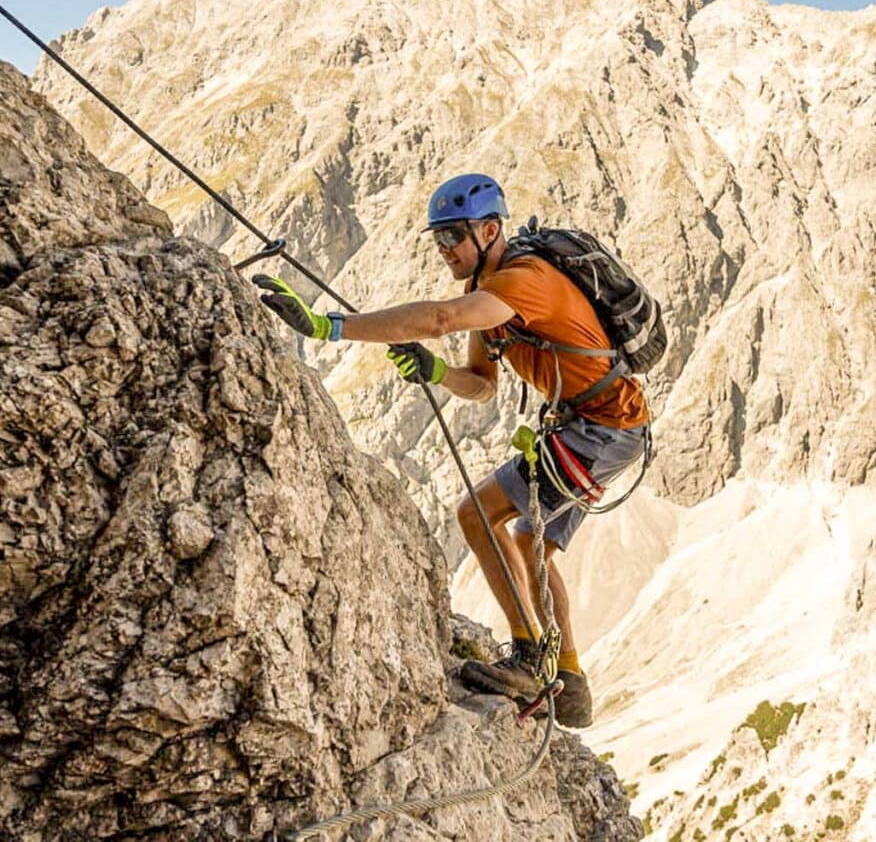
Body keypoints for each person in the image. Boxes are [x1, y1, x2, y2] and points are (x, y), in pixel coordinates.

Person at [255, 173, 650, 728]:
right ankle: (570, 679)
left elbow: (439, 319)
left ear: (490, 231)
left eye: (454, 238)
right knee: (530, 538)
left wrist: (330, 326)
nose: (444, 250)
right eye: (437, 239)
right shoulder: (487, 293)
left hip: (600, 427)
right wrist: (437, 371)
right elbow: (482, 383)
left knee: (478, 513)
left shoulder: (523, 281)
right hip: (600, 426)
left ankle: (532, 659)